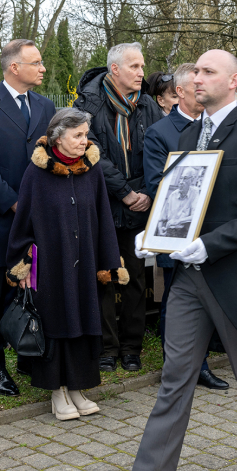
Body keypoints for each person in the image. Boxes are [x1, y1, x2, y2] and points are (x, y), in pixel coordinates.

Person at [101, 49, 237, 471]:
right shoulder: (185, 132)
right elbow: (179, 198)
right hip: (187, 278)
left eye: (208, 72)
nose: (196, 78)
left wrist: (211, 244)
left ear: (236, 82)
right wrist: (155, 234)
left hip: (233, 276)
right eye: (196, 71)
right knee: (175, 376)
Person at [7, 108, 127, 420]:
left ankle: (77, 387)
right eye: (78, 135)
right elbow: (22, 222)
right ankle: (57, 392)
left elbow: (103, 216)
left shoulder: (93, 169)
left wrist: (109, 261)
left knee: (85, 320)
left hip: (85, 262)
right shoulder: (37, 172)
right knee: (56, 322)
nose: (84, 141)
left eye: (86, 135)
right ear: (58, 136)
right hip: (51, 263)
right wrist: (22, 265)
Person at [0, 39, 56, 396]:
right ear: (14, 68)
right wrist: (14, 202)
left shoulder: (46, 105)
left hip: (40, 220)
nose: (43, 68)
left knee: (32, 288)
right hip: (0, 218)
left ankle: (29, 354)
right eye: (36, 62)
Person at [75, 42, 162, 373]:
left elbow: (157, 149)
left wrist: (147, 192)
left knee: (137, 277)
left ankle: (131, 348)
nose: (142, 72)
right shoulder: (89, 105)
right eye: (135, 67)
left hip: (141, 202)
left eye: (142, 66)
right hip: (104, 203)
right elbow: (93, 152)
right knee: (105, 276)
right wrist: (125, 192)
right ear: (115, 70)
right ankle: (107, 348)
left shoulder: (149, 106)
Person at [142, 63, 227, 391]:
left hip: (215, 233)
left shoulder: (216, 126)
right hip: (179, 232)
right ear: (179, 92)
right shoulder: (160, 132)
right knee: (177, 303)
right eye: (196, 87)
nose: (204, 91)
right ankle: (179, 366)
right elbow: (156, 185)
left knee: (210, 300)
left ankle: (203, 359)